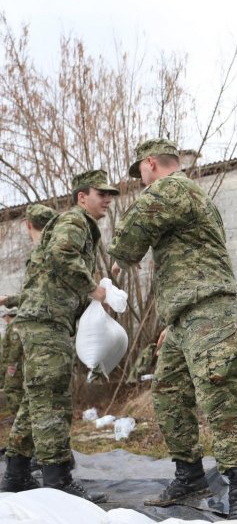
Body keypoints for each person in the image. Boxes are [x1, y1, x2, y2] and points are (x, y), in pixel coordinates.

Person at [107, 138, 237, 522]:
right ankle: (189, 475)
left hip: (207, 306)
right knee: (169, 391)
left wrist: (115, 266)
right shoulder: (185, 196)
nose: (140, 181)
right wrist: (170, 322)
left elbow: (129, 238)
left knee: (218, 394)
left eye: (139, 174)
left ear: (150, 164)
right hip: (184, 314)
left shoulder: (171, 187)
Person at [0, 172, 117, 501]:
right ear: (82, 197)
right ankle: (57, 480)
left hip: (48, 320)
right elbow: (61, 257)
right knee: (53, 398)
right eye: (101, 193)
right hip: (46, 320)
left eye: (110, 194)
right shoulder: (75, 221)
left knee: (35, 400)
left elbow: (60, 271)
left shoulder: (80, 226)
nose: (108, 199)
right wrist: (94, 288)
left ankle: (17, 473)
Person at [0, 204, 60, 420]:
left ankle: (32, 450)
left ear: (28, 225)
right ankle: (22, 449)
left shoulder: (42, 254)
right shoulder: (61, 250)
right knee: (45, 396)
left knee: (40, 395)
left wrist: (9, 300)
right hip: (56, 334)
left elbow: (35, 296)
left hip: (42, 335)